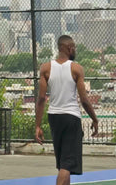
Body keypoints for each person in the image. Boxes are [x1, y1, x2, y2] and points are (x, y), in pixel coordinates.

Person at [35, 35, 99, 185]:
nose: (74, 49)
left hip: (54, 117)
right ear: (69, 48)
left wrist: (37, 125)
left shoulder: (46, 68)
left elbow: (41, 99)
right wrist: (94, 119)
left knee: (63, 164)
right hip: (71, 117)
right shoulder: (76, 69)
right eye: (74, 47)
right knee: (66, 165)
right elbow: (84, 100)